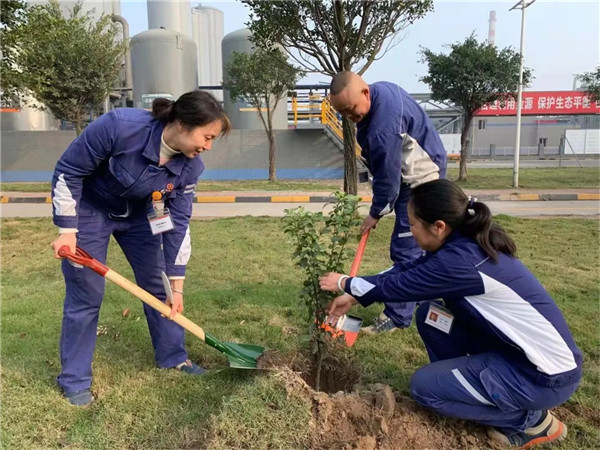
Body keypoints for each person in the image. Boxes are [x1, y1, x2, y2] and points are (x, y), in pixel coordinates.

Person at [319, 179, 582, 447]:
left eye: (412, 223)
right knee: (431, 315)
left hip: (543, 376)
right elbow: (407, 271)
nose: (409, 229)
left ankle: (530, 421)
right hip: (515, 354)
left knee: (424, 388)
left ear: (438, 226)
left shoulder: (460, 262)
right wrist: (354, 294)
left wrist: (344, 282)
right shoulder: (460, 243)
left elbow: (401, 286)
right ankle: (463, 385)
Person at [51, 90, 230, 406]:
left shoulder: (191, 167)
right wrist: (67, 230)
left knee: (159, 286)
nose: (208, 146)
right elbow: (69, 171)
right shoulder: (120, 126)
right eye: (207, 137)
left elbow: (177, 221)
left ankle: (173, 357)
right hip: (91, 209)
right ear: (182, 123)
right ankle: (74, 380)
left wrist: (177, 284)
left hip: (142, 216)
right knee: (87, 292)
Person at [329, 71, 447, 334]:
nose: (349, 116)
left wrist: (376, 212)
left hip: (421, 181)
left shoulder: (383, 127)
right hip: (414, 175)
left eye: (351, 109)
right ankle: (425, 295)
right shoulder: (380, 92)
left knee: (406, 249)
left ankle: (397, 315)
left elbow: (388, 178)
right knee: (425, 248)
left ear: (365, 92)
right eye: (343, 112)